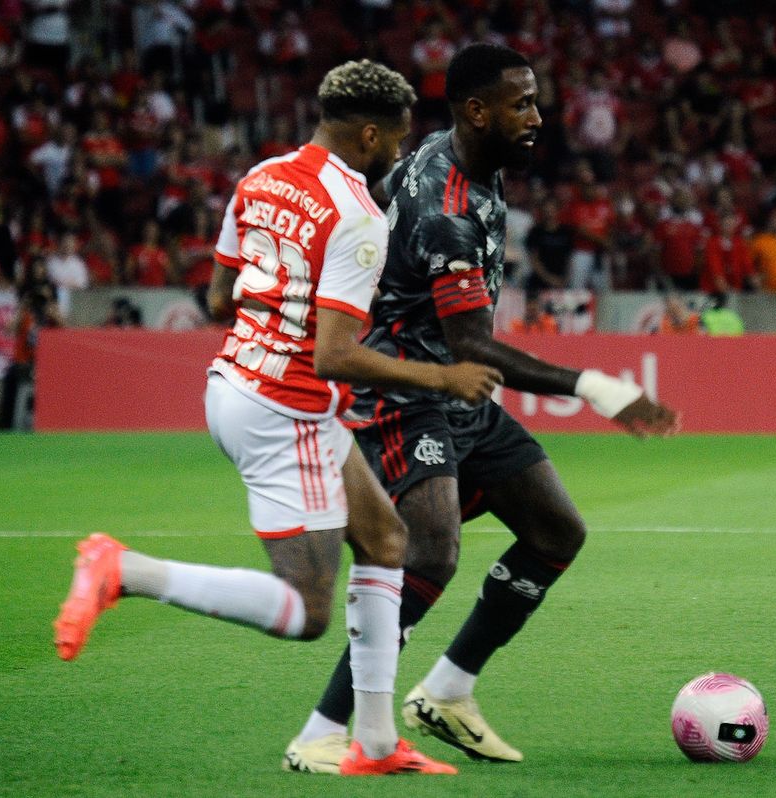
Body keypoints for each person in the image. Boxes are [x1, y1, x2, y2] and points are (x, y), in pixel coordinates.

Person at [52, 60, 504, 777]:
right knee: (306, 609)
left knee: (387, 540)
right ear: (368, 133)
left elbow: (219, 296)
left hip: (238, 382)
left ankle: (376, 745)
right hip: (283, 409)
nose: (400, 151)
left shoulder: (259, 178)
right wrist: (440, 375)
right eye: (395, 139)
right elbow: (333, 356)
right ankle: (127, 570)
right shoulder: (358, 215)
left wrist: (280, 308)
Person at [284, 43, 679, 774]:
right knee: (428, 550)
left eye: (535, 99)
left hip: (454, 385)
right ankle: (322, 729)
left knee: (555, 530)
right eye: (521, 103)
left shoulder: (465, 159)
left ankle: (448, 691)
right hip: (407, 393)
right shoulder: (447, 211)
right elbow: (480, 345)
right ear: (476, 111)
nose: (537, 116)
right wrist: (601, 388)